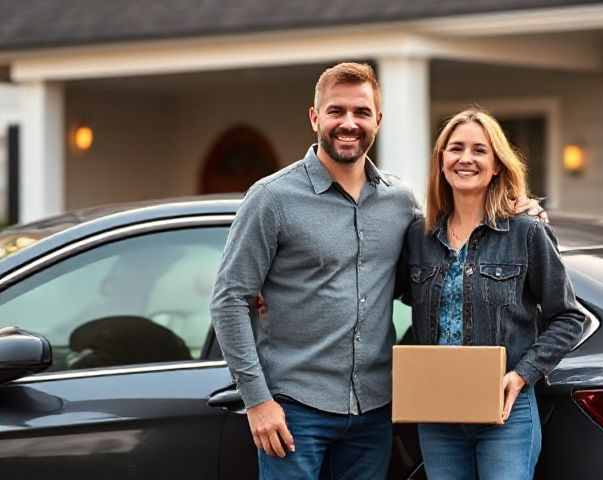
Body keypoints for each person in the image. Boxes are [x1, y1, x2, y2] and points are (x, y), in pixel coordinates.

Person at [210, 62, 546, 480]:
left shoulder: (400, 202)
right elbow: (229, 300)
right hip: (294, 411)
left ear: (378, 121)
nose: (348, 123)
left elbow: (448, 263)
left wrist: (518, 211)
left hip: (373, 413)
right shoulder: (272, 199)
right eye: (336, 111)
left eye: (361, 112)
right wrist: (257, 401)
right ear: (315, 118)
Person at [399, 109, 586, 480]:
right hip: (437, 410)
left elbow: (568, 317)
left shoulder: (526, 232)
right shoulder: (418, 237)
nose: (466, 159)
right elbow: (376, 291)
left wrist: (521, 375)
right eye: (455, 149)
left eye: (479, 150)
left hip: (505, 411)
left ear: (497, 165)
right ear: (441, 161)